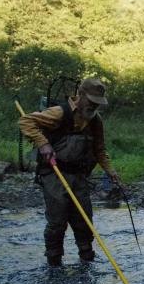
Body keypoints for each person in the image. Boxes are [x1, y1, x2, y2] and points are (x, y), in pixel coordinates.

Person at [19, 77, 120, 267]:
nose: (94, 107)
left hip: (79, 175)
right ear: (80, 95)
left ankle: (87, 259)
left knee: (84, 219)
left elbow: (99, 149)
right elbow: (25, 121)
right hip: (54, 173)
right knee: (57, 221)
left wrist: (110, 170)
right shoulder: (58, 113)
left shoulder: (95, 120)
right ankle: (54, 262)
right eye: (92, 102)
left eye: (98, 104)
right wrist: (44, 144)